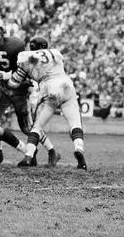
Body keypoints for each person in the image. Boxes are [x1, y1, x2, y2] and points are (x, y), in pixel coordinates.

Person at [0, 17, 59, 165]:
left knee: (26, 127)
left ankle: (52, 151)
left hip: (19, 88)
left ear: (3, 31)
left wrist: (7, 75)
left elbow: (24, 68)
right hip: (3, 88)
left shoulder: (15, 45)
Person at [8, 36, 87, 170]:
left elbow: (13, 83)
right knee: (75, 123)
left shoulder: (27, 57)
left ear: (32, 47)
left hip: (49, 87)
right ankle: (79, 149)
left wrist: (22, 82)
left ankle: (28, 156)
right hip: (67, 85)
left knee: (37, 126)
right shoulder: (55, 53)